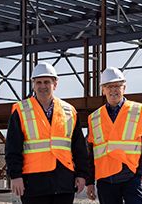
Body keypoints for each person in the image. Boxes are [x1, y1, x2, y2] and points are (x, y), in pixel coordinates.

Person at [5, 62, 88, 204]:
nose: (42, 86)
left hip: (63, 183)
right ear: (33, 85)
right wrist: (15, 175)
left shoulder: (69, 111)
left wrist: (81, 174)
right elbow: (12, 148)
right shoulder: (21, 111)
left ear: (54, 85)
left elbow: (79, 148)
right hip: (33, 183)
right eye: (39, 82)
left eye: (47, 82)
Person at [86, 67, 142, 204]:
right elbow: (89, 152)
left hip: (130, 177)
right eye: (109, 86)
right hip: (105, 181)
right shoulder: (94, 118)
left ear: (124, 88)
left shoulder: (138, 111)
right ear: (103, 89)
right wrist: (90, 182)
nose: (113, 90)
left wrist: (141, 172)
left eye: (117, 86)